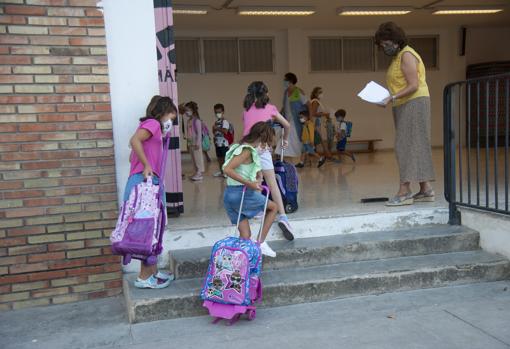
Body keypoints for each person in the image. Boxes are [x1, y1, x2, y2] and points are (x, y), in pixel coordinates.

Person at [375, 22, 435, 206]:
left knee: (405, 145)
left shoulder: (407, 54)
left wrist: (391, 97)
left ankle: (404, 191)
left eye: (387, 44)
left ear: (396, 40)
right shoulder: (398, 57)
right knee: (415, 144)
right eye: (382, 46)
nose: (385, 48)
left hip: (414, 102)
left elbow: (413, 85)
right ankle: (425, 189)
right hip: (404, 104)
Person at [127, 95, 177, 289]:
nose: (170, 123)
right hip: (144, 181)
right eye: (170, 118)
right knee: (147, 228)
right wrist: (147, 165)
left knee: (153, 227)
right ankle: (144, 277)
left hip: (147, 181)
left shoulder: (155, 130)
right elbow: (134, 141)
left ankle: (153, 272)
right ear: (163, 112)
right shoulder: (153, 124)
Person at [242, 81, 295, 244]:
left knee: (255, 179)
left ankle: (258, 210)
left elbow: (247, 128)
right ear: (265, 94)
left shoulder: (246, 110)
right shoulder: (271, 108)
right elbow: (287, 125)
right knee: (272, 183)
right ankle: (283, 217)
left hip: (247, 148)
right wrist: (284, 140)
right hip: (263, 148)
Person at [223, 122, 279, 257]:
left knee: (245, 235)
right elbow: (227, 169)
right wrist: (249, 184)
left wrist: (257, 175)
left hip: (230, 196)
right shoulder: (247, 150)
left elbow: (242, 169)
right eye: (266, 144)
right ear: (261, 138)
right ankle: (261, 243)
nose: (266, 148)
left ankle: (240, 265)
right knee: (273, 207)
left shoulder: (239, 147)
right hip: (240, 193)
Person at [276, 72, 307, 158]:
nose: (283, 82)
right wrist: (278, 115)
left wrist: (309, 118)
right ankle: (284, 156)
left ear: (290, 81)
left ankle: (285, 156)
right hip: (287, 119)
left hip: (296, 119)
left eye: (285, 80)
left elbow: (308, 104)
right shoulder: (286, 92)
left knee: (291, 137)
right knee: (287, 137)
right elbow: (284, 105)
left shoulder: (298, 92)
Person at [309, 87, 333, 159]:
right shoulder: (315, 101)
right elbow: (313, 113)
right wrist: (324, 114)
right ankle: (327, 154)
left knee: (318, 139)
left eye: (321, 92)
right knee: (321, 139)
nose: (321, 94)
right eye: (319, 92)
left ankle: (316, 153)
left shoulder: (316, 101)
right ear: (315, 93)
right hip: (316, 122)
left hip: (317, 122)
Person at [184, 101, 205, 181]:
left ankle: (199, 173)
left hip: (196, 143)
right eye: (185, 110)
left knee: (198, 158)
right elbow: (188, 133)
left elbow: (199, 133)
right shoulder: (189, 120)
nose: (186, 112)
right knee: (193, 159)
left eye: (187, 110)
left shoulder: (197, 121)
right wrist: (188, 144)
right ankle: (196, 172)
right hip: (191, 143)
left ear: (193, 110)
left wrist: (198, 143)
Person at [212, 103, 232, 178]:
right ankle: (221, 171)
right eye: (216, 112)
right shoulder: (216, 122)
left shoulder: (225, 122)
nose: (218, 114)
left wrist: (216, 128)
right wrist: (214, 130)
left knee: (225, 158)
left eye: (219, 112)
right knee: (219, 158)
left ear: (223, 112)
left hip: (224, 144)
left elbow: (225, 131)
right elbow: (215, 133)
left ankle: (226, 172)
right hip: (218, 143)